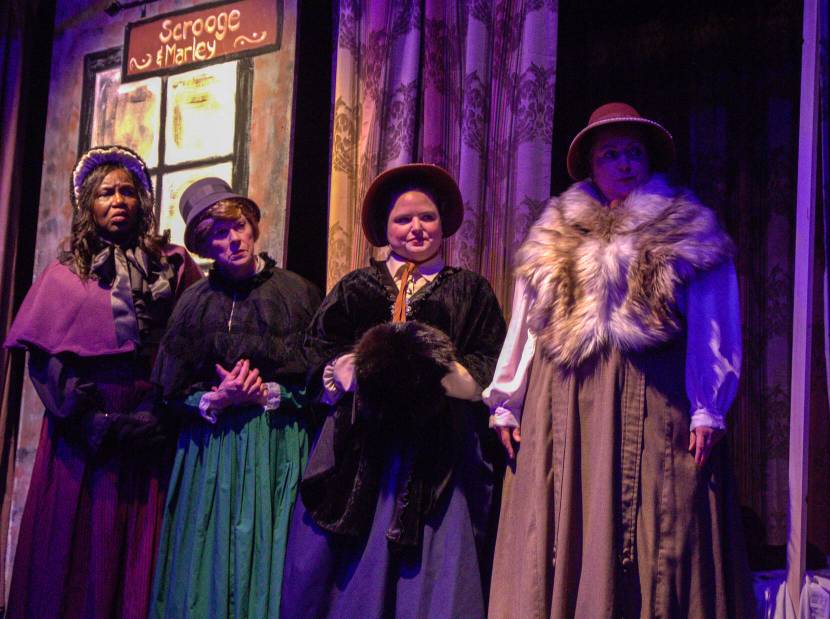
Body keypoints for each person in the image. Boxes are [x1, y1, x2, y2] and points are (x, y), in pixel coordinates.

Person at [484, 103, 755, 618]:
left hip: (651, 393)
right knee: (561, 517)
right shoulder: (554, 232)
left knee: (659, 519)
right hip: (562, 401)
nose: (625, 163)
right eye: (611, 154)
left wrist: (707, 404)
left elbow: (713, 318)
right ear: (591, 163)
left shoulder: (683, 226)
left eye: (635, 152)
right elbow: (526, 320)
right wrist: (507, 400)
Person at [279, 163, 507, 619]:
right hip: (364, 445)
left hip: (439, 447)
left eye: (427, 217)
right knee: (348, 555)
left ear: (443, 222)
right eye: (404, 220)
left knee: (439, 552)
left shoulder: (469, 289)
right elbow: (316, 350)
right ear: (385, 228)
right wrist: (349, 369)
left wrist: (439, 376)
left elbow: (488, 357)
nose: (416, 228)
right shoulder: (357, 287)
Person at [4, 145, 202, 618]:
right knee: (78, 538)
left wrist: (159, 409)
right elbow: (46, 360)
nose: (119, 201)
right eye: (107, 193)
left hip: (150, 421)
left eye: (128, 192)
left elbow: (192, 344)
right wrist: (88, 419)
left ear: (143, 201)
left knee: (143, 541)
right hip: (83, 427)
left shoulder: (172, 265)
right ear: (89, 204)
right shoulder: (65, 272)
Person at [147, 177, 322, 619]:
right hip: (213, 450)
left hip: (276, 443)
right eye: (219, 235)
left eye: (238, 227)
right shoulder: (193, 303)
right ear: (206, 247)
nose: (234, 240)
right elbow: (168, 391)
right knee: (210, 554)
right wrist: (215, 398)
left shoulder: (297, 293)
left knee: (271, 552)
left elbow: (321, 381)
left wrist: (270, 392)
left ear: (252, 227)